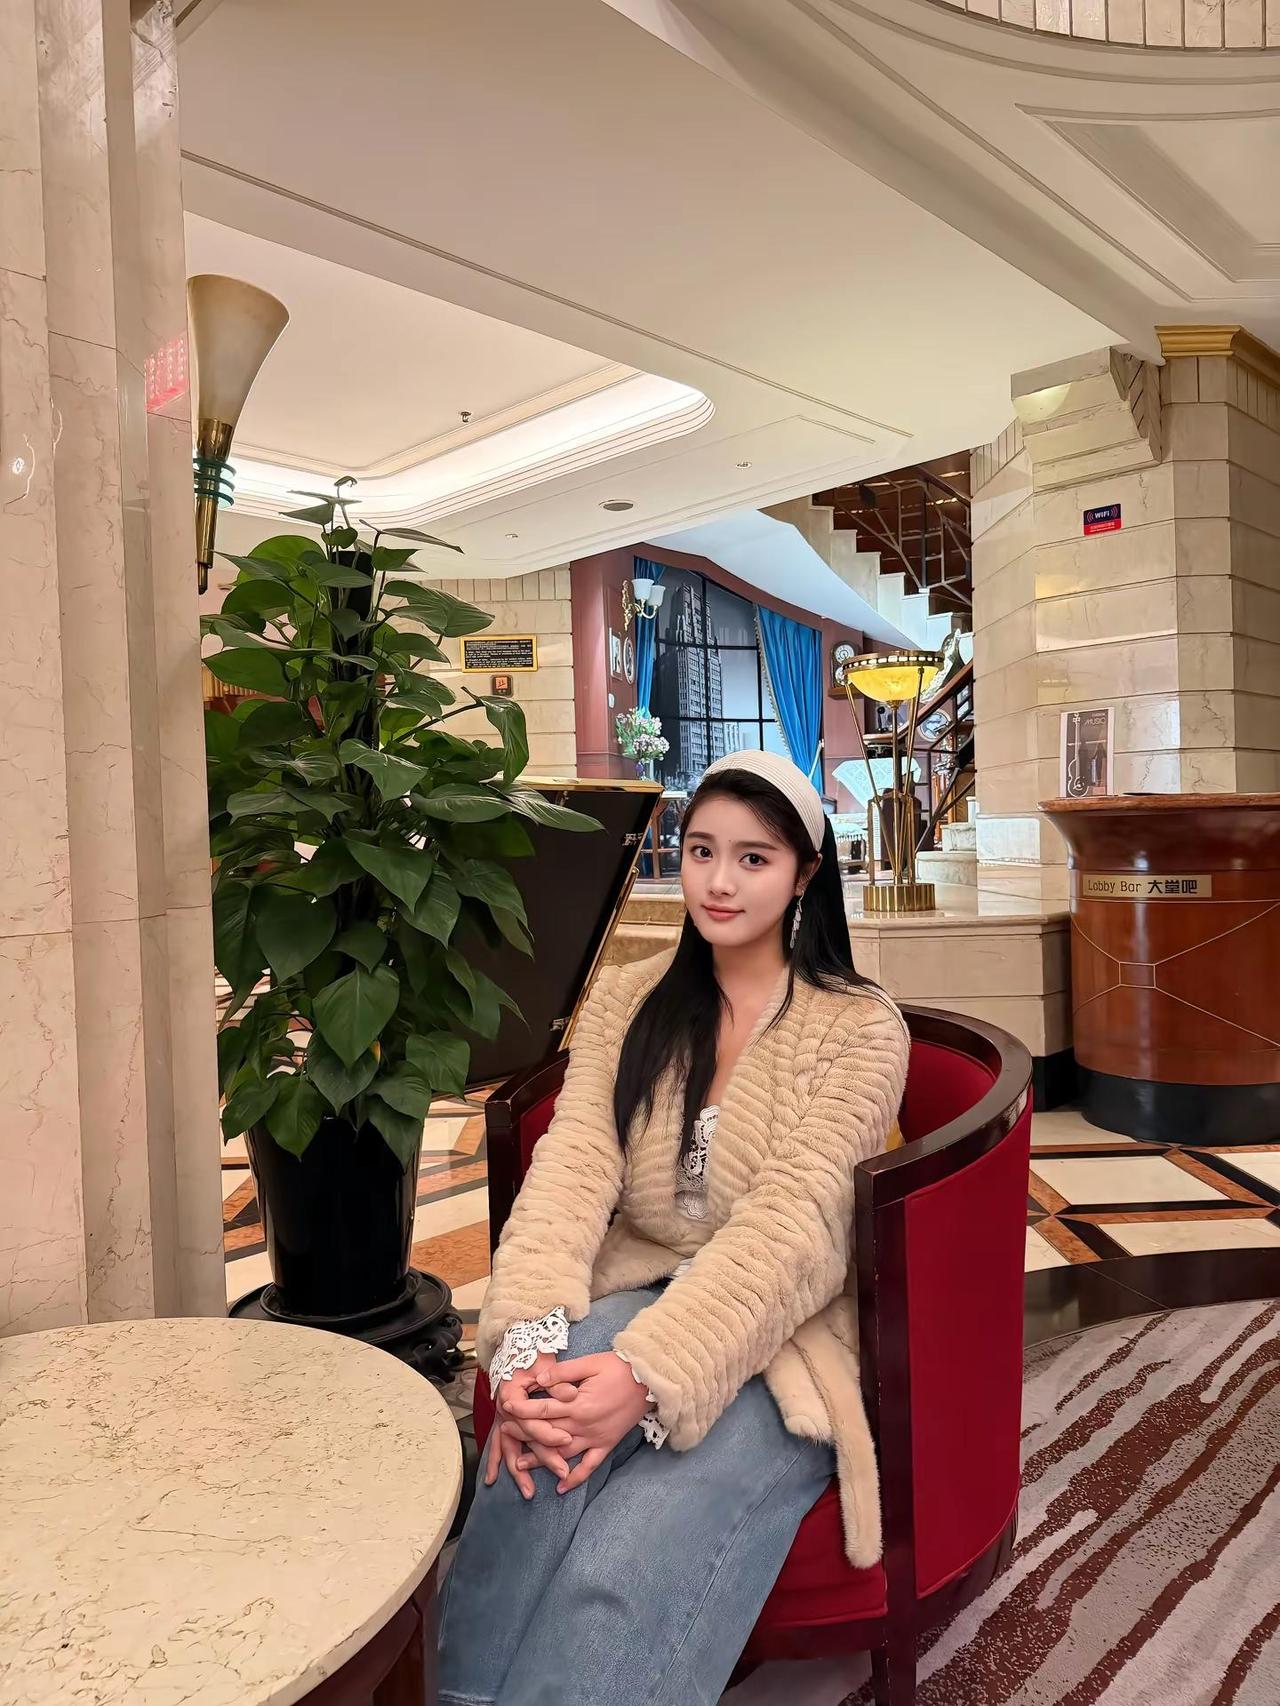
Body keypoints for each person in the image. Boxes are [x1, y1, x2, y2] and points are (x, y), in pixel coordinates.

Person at [438, 750, 910, 1706]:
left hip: (787, 1332)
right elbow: (573, 1168)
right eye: (701, 851)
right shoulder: (630, 999)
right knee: (534, 1466)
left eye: (753, 858)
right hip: (634, 1285)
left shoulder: (860, 1029)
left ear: (805, 876)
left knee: (629, 1554)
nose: (719, 882)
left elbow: (793, 1231)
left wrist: (646, 1379)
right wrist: (525, 1345)